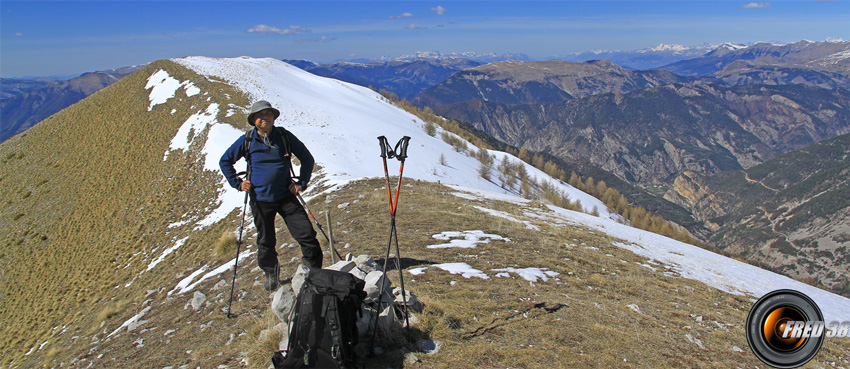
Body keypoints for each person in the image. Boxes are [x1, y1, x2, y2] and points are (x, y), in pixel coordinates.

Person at [219, 100, 321, 291]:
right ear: (253, 120)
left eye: (268, 114)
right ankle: (271, 274)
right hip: (260, 199)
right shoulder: (247, 140)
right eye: (260, 115)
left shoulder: (283, 136)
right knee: (265, 240)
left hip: (285, 197)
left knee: (306, 234)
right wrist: (238, 183)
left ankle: (313, 272)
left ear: (274, 117)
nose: (264, 118)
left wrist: (301, 183)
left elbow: (307, 158)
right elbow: (225, 161)